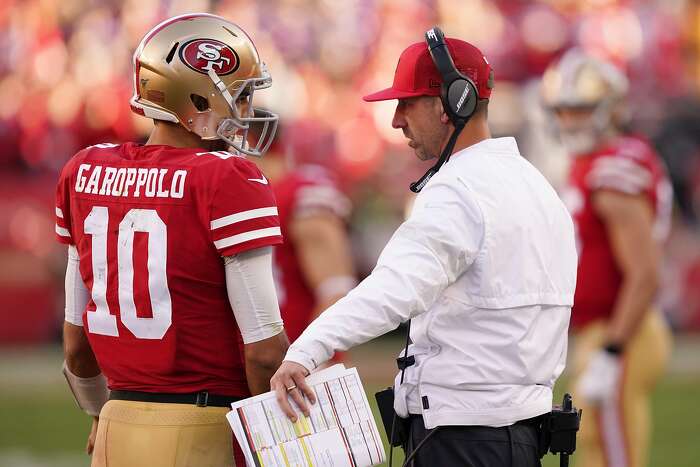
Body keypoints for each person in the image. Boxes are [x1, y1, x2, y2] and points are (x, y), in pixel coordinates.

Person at [270, 28, 578, 467]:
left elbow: (393, 289)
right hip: (521, 433)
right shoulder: (538, 187)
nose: (396, 120)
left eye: (406, 103)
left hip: (462, 440)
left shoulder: (459, 189)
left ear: (453, 102)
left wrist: (306, 349)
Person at [56, 13, 289, 467]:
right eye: (238, 95)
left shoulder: (84, 169)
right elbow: (264, 352)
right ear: (197, 96)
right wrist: (278, 439)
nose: (245, 111)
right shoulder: (226, 177)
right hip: (204, 425)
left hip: (115, 423)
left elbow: (76, 347)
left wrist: (98, 415)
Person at [541, 50, 673, 467]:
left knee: (618, 454)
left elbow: (645, 274)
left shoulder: (613, 173)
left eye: (582, 109)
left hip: (623, 331)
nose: (571, 121)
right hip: (605, 330)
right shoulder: (596, 162)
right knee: (595, 450)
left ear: (611, 109)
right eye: (564, 110)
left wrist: (613, 351)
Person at [247, 121, 356, 352]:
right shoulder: (248, 195)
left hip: (298, 358)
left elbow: (336, 291)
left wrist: (307, 359)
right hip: (260, 356)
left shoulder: (298, 194)